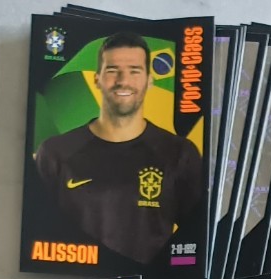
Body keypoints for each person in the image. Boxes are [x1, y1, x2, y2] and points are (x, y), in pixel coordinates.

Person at [34, 32, 206, 266]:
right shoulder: (56, 152)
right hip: (77, 277)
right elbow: (40, 234)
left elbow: (196, 241)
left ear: (149, 80)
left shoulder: (179, 152)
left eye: (134, 71)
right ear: (97, 79)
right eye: (113, 70)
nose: (123, 81)